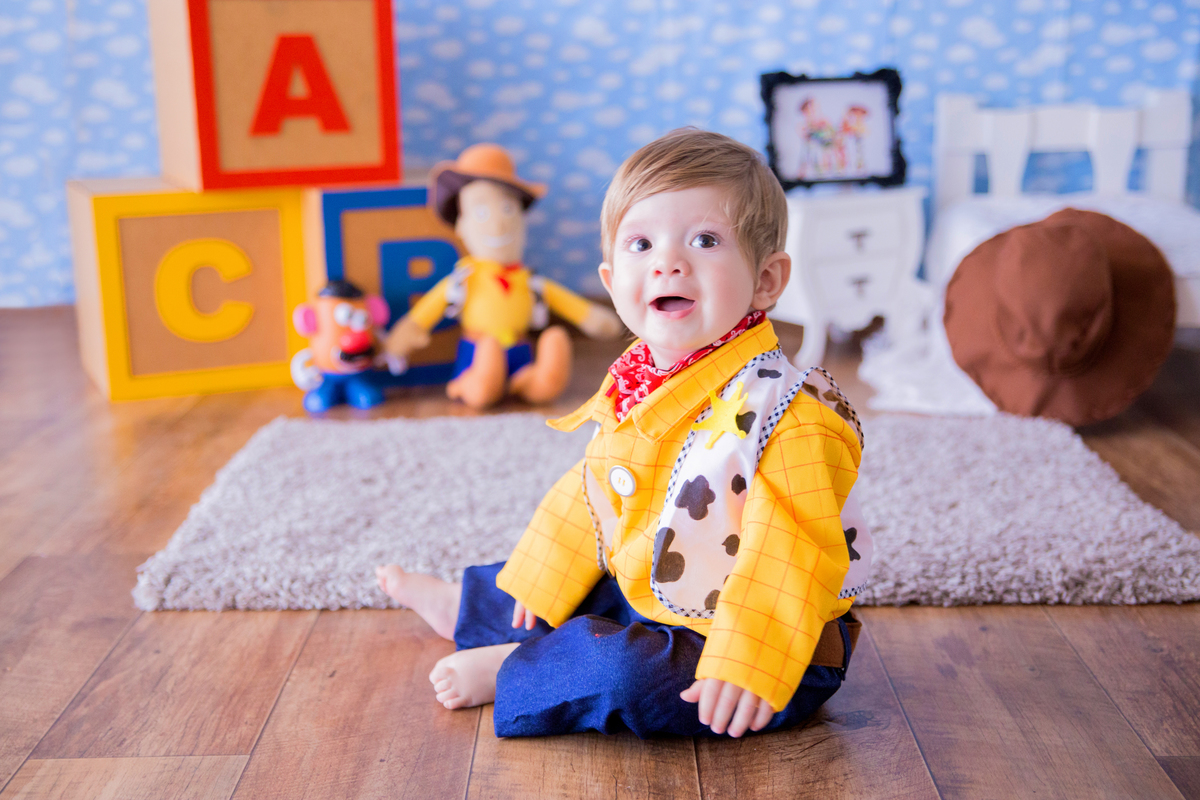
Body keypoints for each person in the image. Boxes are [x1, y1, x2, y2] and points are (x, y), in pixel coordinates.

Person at [377, 128, 871, 739]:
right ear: (612, 283)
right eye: (641, 243)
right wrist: (540, 574)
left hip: (764, 650)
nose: (668, 262)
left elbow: (792, 551)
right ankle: (474, 608)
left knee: (627, 670)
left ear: (766, 281)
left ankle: (518, 664)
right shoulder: (637, 382)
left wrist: (749, 660)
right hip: (661, 589)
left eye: (705, 240)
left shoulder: (786, 415)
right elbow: (594, 493)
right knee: (570, 583)